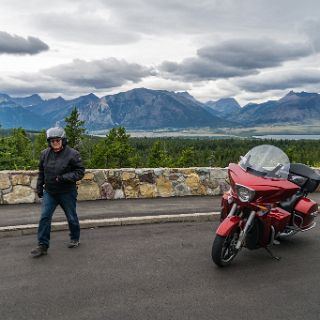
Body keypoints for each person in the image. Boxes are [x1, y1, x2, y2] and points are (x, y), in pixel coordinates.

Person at [31, 127, 85, 258]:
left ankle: (75, 238)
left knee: (71, 217)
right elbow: (42, 172)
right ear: (49, 142)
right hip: (50, 192)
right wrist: (39, 187)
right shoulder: (44, 154)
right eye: (52, 141)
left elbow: (80, 172)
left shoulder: (73, 154)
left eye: (57, 140)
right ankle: (42, 245)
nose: (55, 143)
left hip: (67, 192)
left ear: (63, 140)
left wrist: (63, 178)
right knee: (44, 217)